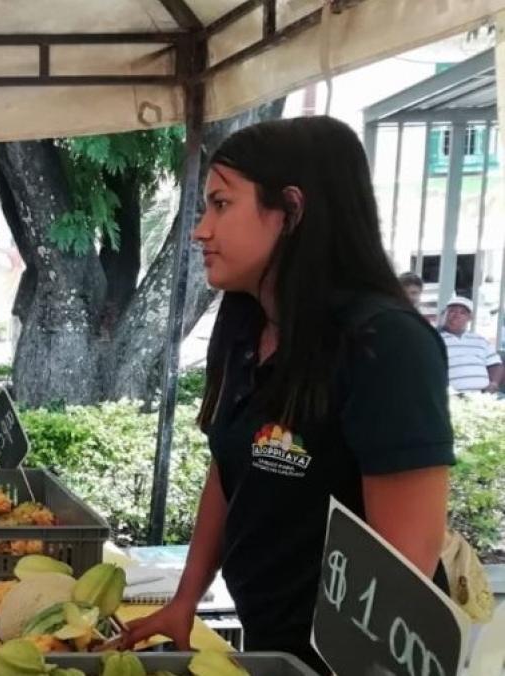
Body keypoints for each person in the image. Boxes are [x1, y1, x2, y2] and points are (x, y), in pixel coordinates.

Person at [121, 117, 453, 673]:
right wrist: (184, 601)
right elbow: (228, 473)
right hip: (271, 646)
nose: (201, 230)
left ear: (291, 211)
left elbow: (405, 574)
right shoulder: (245, 327)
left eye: (220, 205)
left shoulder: (384, 344)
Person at [439, 296, 503, 394]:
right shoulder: (435, 339)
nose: (456, 315)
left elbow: (496, 364)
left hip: (483, 396)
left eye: (462, 313)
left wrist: (494, 384)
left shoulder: (480, 340)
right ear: (444, 314)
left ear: (470, 318)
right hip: (451, 396)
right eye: (452, 311)